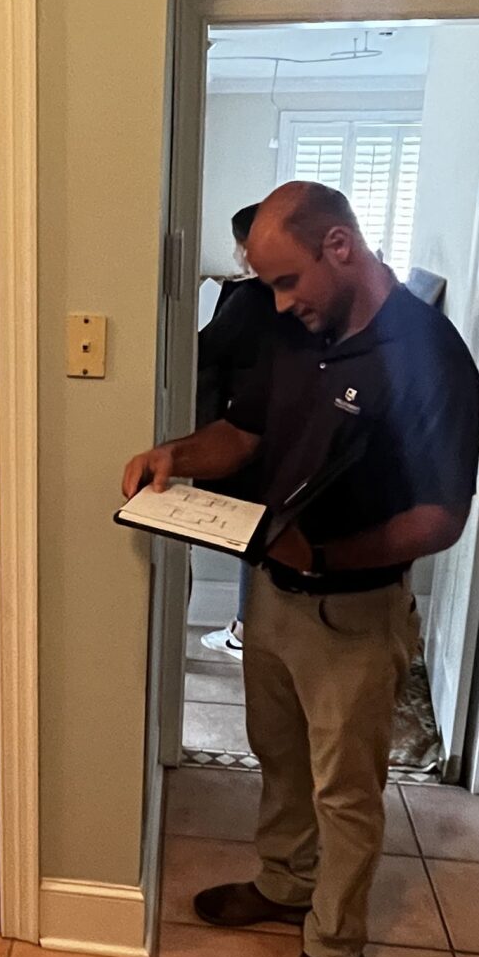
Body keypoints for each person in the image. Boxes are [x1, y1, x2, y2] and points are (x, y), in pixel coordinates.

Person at [122, 181, 479, 957]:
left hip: (355, 613)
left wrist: (324, 555)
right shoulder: (291, 333)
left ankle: (333, 948)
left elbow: (440, 518)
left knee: (345, 792)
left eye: (288, 281)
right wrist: (172, 454)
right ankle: (285, 885)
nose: (280, 303)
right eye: (268, 285)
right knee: (276, 754)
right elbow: (242, 435)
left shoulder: (430, 357)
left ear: (341, 248)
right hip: (272, 592)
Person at [193, 202, 281, 657]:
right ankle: (251, 627)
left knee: (254, 532)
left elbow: (204, 352)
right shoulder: (287, 296)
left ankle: (247, 631)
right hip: (278, 430)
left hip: (251, 429)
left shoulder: (252, 299)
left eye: (239, 245)